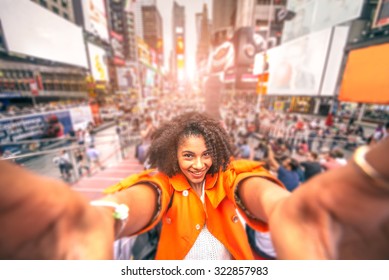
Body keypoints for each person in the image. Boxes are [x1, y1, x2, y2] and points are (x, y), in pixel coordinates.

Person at [1, 112, 389, 260]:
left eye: (206, 155)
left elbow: (255, 188)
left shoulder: (233, 175)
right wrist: (104, 215)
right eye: (188, 156)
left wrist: (283, 206)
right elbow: (142, 198)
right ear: (174, 157)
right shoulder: (165, 185)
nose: (199, 165)